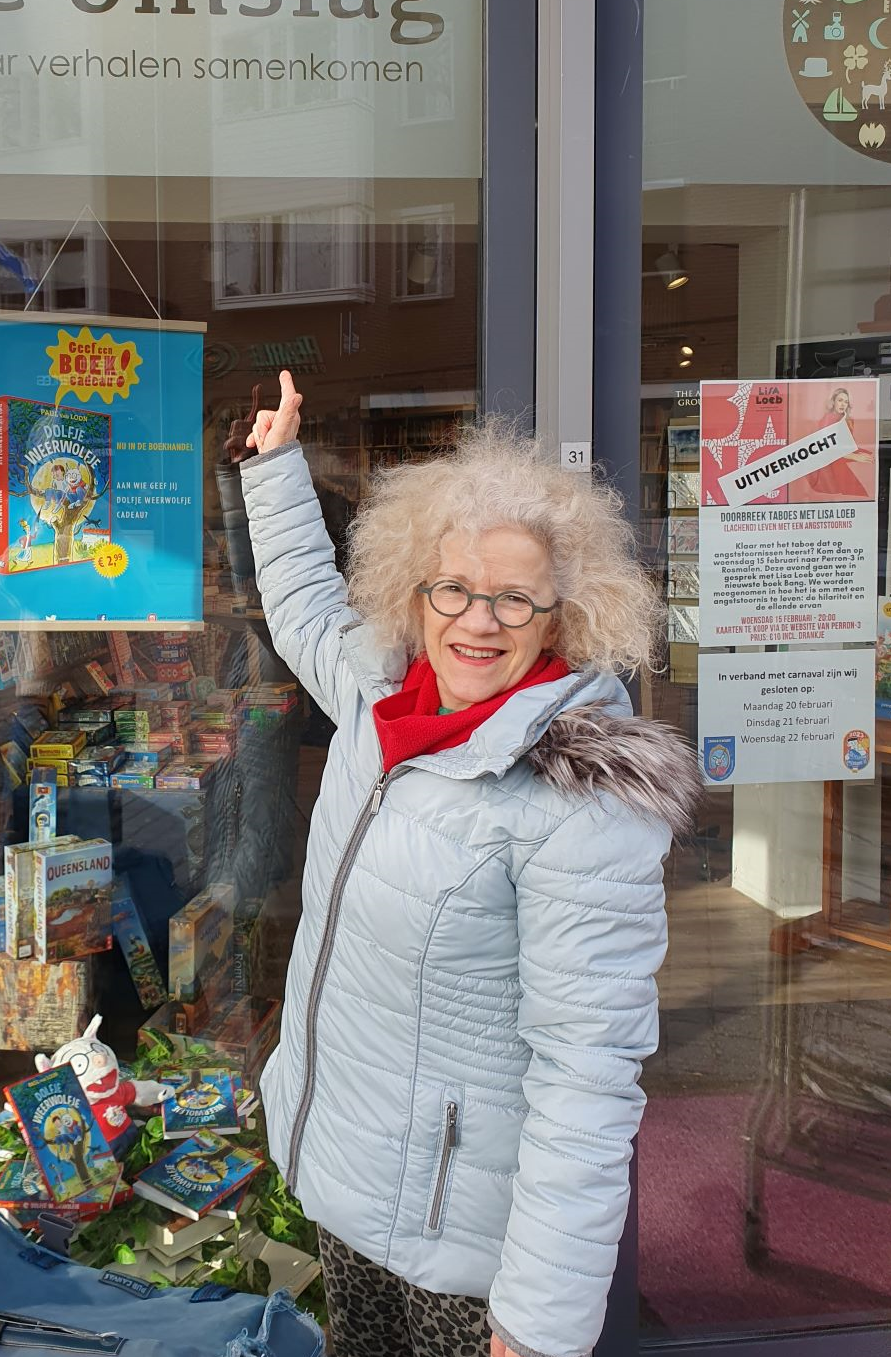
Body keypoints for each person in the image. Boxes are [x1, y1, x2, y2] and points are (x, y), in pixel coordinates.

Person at [240, 371, 698, 1357]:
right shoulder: (380, 695)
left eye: (514, 598)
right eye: (452, 587)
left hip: (463, 1245)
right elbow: (303, 607)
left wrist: (536, 1321)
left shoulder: (582, 794)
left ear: (562, 615)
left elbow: (588, 1076)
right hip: (351, 1178)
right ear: (414, 589)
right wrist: (275, 468)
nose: (476, 620)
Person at [803, 385, 874, 499]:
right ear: (833, 402)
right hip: (826, 464)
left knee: (869, 462)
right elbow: (828, 448)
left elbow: (848, 444)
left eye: (846, 402)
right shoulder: (828, 419)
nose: (843, 404)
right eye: (840, 400)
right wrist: (853, 457)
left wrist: (857, 454)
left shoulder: (848, 419)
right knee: (856, 490)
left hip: (840, 455)